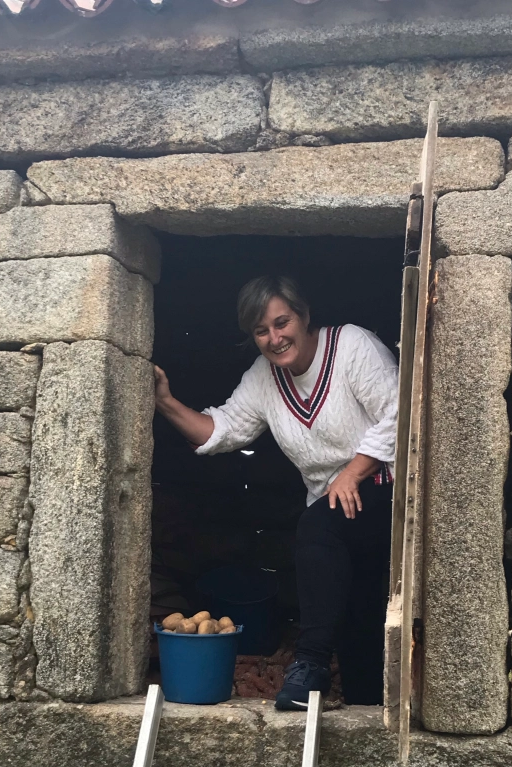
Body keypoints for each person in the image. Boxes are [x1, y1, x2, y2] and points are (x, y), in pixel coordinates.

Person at [154, 275, 399, 711]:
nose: (275, 338)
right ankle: (366, 703)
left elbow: (401, 412)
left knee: (316, 526)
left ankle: (309, 666)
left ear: (303, 317)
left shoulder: (351, 347)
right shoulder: (264, 378)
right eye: (261, 331)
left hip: (386, 494)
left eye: (282, 322)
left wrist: (353, 474)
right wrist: (166, 402)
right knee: (355, 614)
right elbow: (224, 429)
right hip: (338, 512)